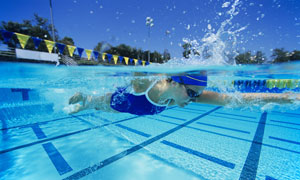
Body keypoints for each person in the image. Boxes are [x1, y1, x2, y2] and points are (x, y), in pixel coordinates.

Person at [66, 72, 300, 115]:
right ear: (175, 83)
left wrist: (285, 96)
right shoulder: (144, 83)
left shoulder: (188, 93)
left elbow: (233, 99)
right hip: (116, 102)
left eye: (197, 95)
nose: (193, 98)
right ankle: (82, 96)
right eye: (191, 92)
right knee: (88, 105)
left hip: (133, 110)